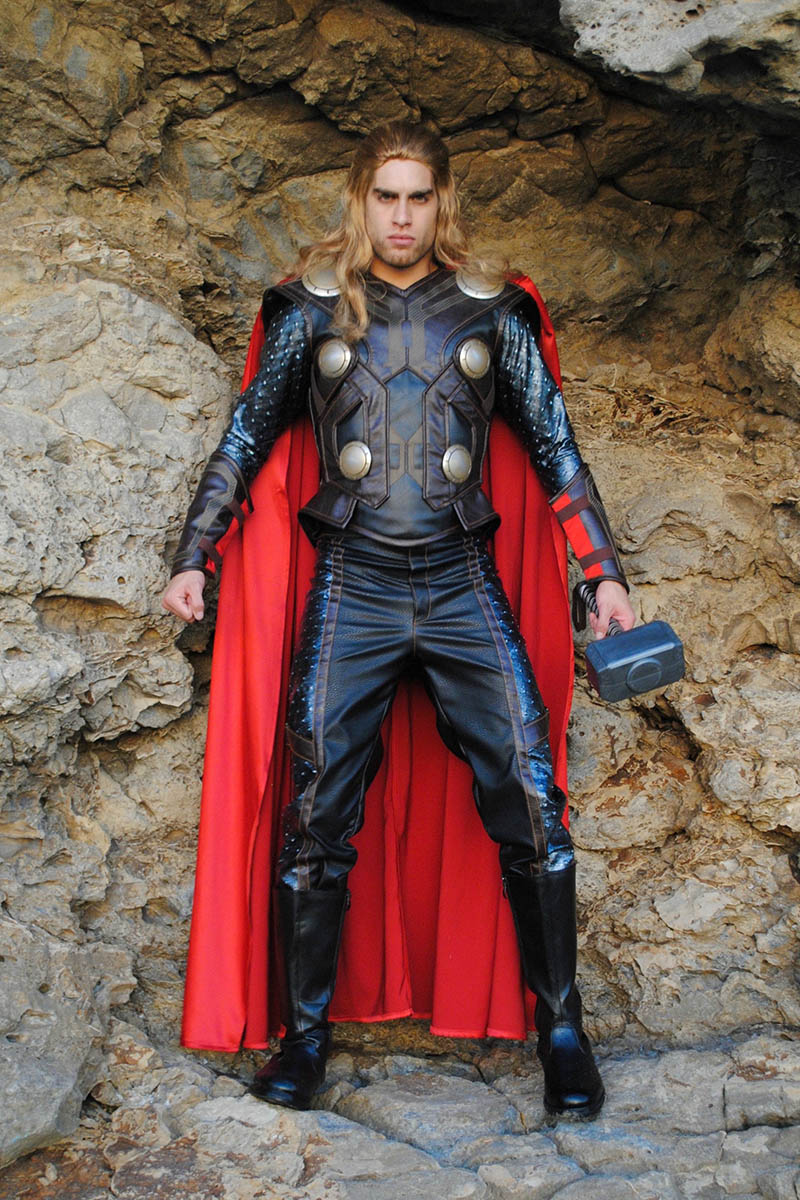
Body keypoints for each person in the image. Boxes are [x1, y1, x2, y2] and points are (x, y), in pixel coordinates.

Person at [162, 120, 635, 1118]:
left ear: (441, 202)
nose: (403, 216)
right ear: (360, 200)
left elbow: (554, 445)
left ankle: (562, 1032)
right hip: (354, 588)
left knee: (533, 803)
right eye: (387, 196)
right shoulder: (310, 309)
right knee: (314, 819)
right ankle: (303, 1039)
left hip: (464, 586)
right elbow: (247, 434)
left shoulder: (491, 309)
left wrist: (602, 576)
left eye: (420, 196)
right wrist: (195, 552)